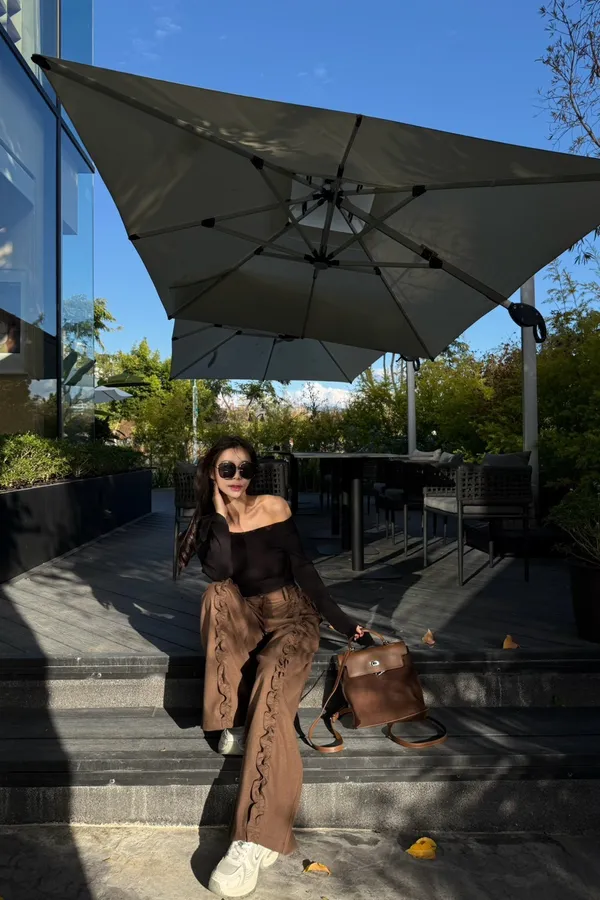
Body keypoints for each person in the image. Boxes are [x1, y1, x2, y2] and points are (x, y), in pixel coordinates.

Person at [178, 435, 365, 899]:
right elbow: (221, 571)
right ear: (210, 473)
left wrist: (344, 623)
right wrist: (219, 514)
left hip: (292, 618)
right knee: (216, 595)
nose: (237, 477)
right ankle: (234, 721)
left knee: (271, 690)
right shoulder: (207, 523)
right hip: (246, 617)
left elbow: (305, 570)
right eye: (226, 469)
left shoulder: (274, 507)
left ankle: (255, 837)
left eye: (244, 469)